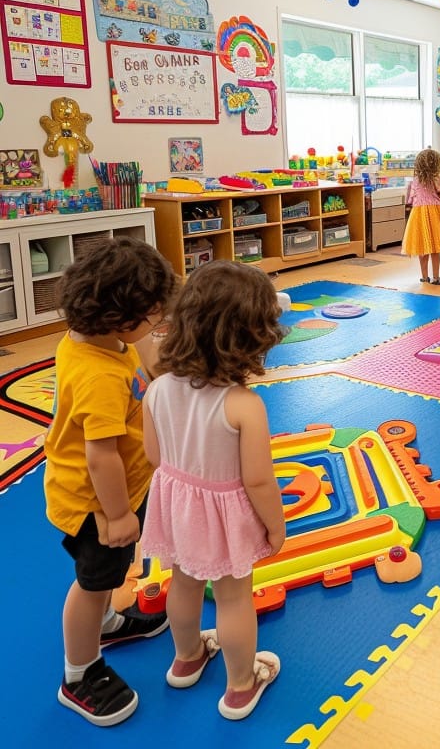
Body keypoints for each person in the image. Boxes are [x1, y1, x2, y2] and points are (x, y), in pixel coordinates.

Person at [141, 260, 286, 721]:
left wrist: (186, 486)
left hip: (176, 506)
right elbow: (258, 480)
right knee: (233, 597)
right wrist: (276, 525)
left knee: (182, 582)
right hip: (225, 517)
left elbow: (153, 456)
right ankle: (241, 686)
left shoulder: (158, 387)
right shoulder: (244, 404)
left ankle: (186, 659)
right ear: (253, 339)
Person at [44, 236, 179, 726]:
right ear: (121, 319)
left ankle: (105, 623)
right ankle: (79, 674)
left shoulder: (98, 337)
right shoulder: (99, 375)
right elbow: (100, 456)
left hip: (122, 486)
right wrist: (117, 514)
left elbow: (147, 356)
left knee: (114, 570)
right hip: (95, 501)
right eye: (154, 317)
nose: (158, 325)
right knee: (93, 579)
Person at [402, 147, 440, 285]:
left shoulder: (414, 181)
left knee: (422, 246)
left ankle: (424, 276)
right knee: (435, 246)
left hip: (419, 215)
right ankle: (436, 277)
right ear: (436, 165)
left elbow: (409, 200)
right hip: (435, 213)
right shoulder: (436, 180)